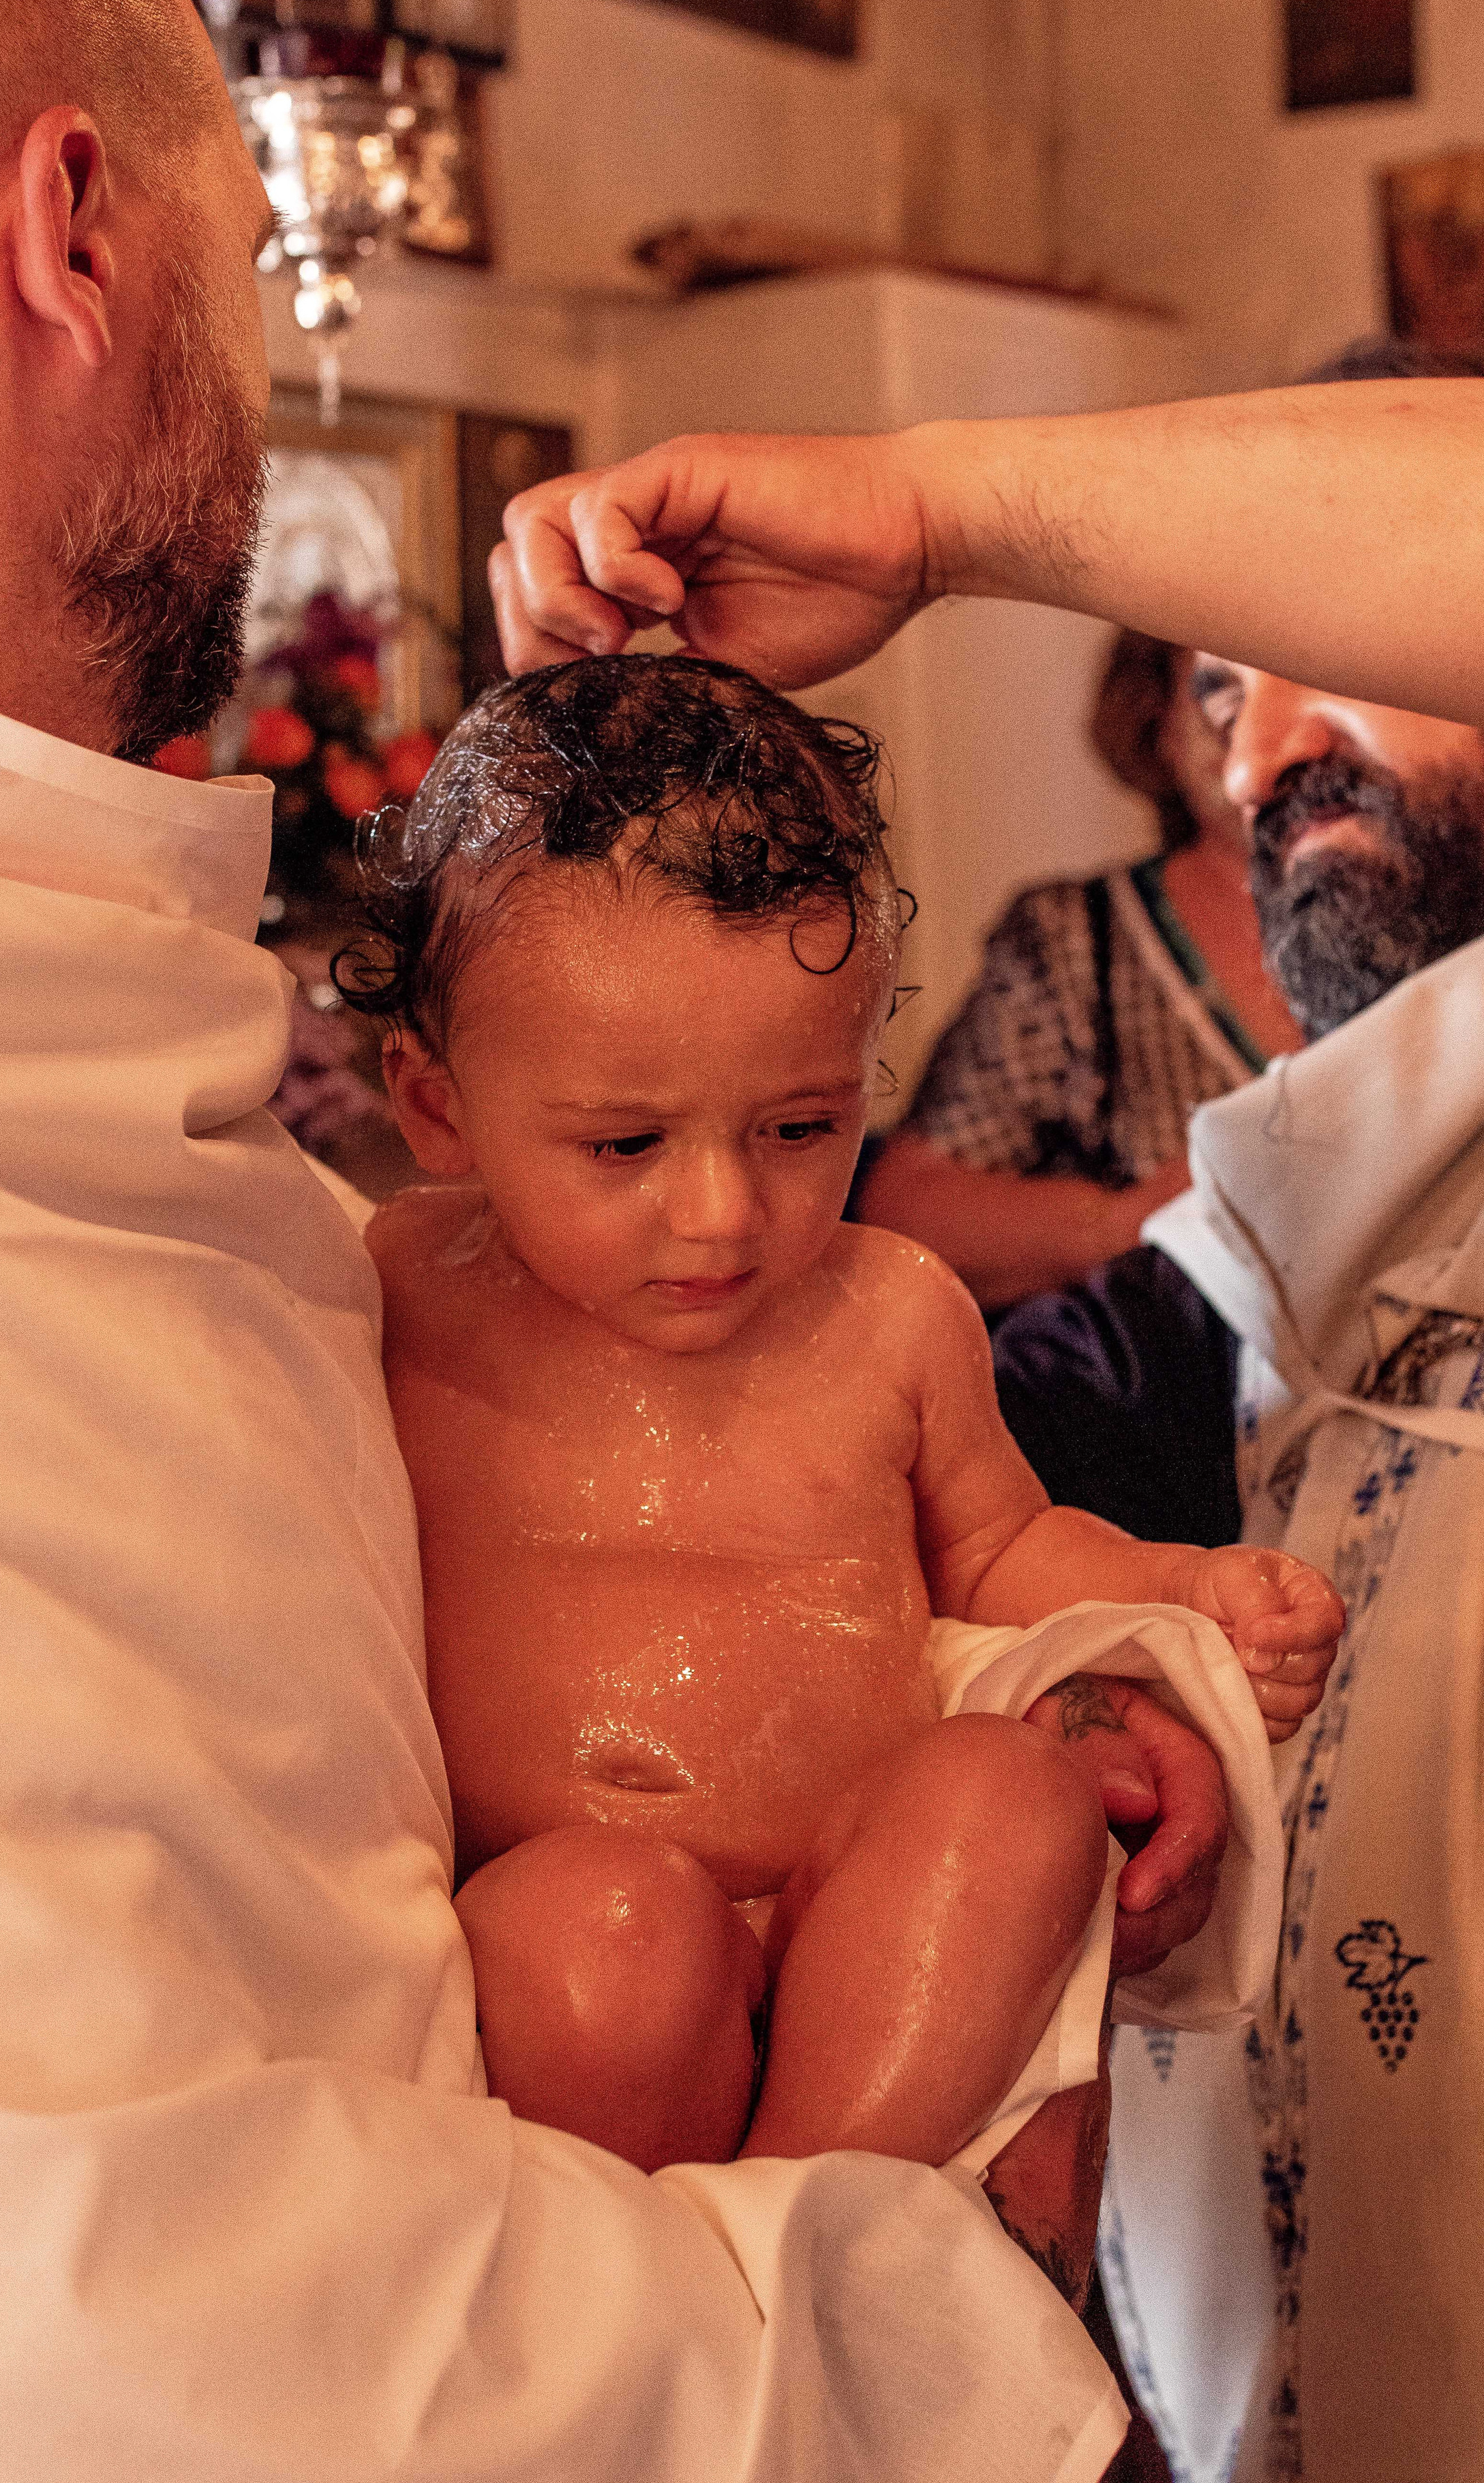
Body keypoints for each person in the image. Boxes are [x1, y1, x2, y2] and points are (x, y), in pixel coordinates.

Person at [0, 0, 1249, 2483]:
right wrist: (917, 2343)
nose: (716, 1220)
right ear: (74, 231)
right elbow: (70, 2393)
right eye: (262, 249)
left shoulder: (50, 1031)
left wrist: (1055, 1699)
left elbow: (694, 1568)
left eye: (797, 1125)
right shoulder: (54, 1188)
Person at [491, 340, 1484, 2483]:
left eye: (1346, 664)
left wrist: (924, 509)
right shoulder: (1261, 1253)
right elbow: (919, 1558)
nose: (1262, 756)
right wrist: (1095, 1699)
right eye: (1217, 693)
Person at [343, 652, 1337, 2178]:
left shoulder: (890, 1310)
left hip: (856, 1924)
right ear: (436, 1112)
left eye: (803, 1126)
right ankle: (669, 2277)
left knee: (1012, 1797)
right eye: (623, 1145)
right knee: (593, 1933)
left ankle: (809, 2235)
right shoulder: (384, 1292)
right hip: (558, 1938)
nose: (723, 1213)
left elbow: (999, 1554)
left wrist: (1177, 1587)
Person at [858, 631, 1300, 1313]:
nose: (1268, 738)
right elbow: (909, 1213)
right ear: (1159, 725)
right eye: (1221, 693)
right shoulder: (1078, 937)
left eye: (1306, 688)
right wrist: (1137, 1223)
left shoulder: (1460, 911)